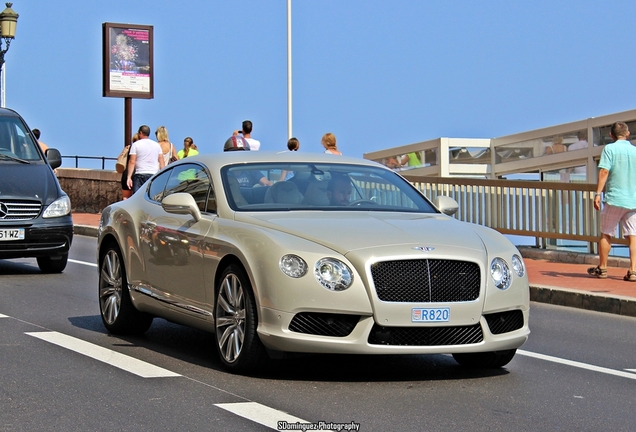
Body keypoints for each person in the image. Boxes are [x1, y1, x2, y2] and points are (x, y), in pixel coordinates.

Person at [588, 121, 636, 281]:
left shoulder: (609, 149)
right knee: (633, 235)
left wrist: (597, 193)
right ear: (627, 133)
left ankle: (602, 268)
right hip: (632, 199)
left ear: (611, 135)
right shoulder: (634, 151)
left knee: (606, 233)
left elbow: (604, 171)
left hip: (615, 198)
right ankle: (633, 270)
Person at [126, 125, 165, 193]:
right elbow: (161, 161)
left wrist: (129, 177)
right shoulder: (156, 145)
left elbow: (132, 161)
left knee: (138, 198)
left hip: (140, 173)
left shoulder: (136, 145)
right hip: (153, 174)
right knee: (151, 197)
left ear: (140, 133)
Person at [121, 133, 138, 200]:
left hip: (126, 173)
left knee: (125, 197)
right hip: (135, 173)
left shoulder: (128, 148)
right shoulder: (139, 148)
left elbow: (120, 158)